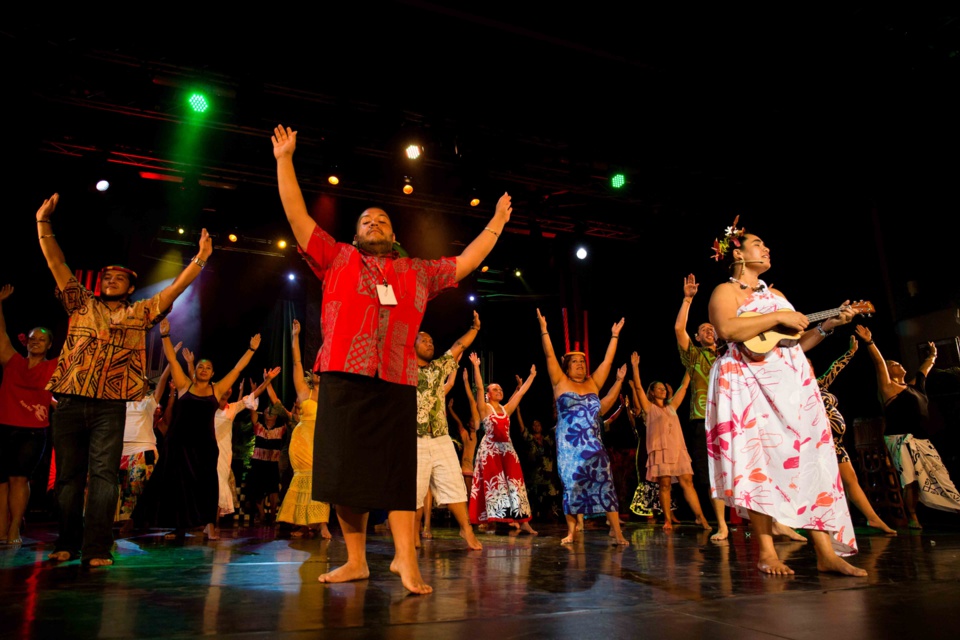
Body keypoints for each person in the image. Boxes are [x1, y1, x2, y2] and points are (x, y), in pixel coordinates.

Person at [272, 124, 512, 594]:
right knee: (344, 471)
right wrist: (284, 159)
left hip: (397, 378)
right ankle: (356, 560)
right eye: (365, 220)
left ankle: (406, 560)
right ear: (355, 233)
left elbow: (465, 261)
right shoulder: (336, 258)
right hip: (342, 372)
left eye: (381, 219)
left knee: (398, 473)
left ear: (395, 233)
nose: (373, 223)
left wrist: (498, 222)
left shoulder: (417, 272)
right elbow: (297, 214)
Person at [37, 193, 212, 566]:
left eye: (119, 278)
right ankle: (66, 542)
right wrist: (43, 224)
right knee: (68, 477)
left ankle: (98, 547)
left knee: (103, 477)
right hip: (69, 399)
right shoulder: (81, 304)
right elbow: (56, 262)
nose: (111, 280)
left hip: (110, 405)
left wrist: (199, 260)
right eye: (107, 276)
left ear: (131, 287)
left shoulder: (141, 313)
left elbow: (174, 290)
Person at [704, 218, 865, 576]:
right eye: (758, 243)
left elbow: (793, 342)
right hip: (746, 383)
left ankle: (825, 551)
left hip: (790, 385)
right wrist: (778, 316)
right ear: (738, 252)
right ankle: (766, 551)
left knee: (808, 459)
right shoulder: (725, 293)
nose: (767, 249)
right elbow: (728, 329)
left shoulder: (776, 295)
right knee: (756, 464)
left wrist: (828, 326)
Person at [134, 319, 266, 540]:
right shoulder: (185, 385)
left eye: (208, 367)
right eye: (200, 367)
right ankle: (178, 527)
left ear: (213, 373)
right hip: (179, 443)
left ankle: (209, 525)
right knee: (178, 485)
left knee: (206, 485)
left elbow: (237, 368)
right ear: (195, 370)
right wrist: (165, 336)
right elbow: (171, 360)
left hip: (204, 445)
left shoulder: (217, 389)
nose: (203, 369)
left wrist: (251, 349)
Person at [536, 309, 630, 546]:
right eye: (575, 362)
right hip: (568, 445)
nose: (580, 365)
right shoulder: (560, 381)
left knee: (605, 483)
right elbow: (549, 356)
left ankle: (617, 532)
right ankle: (572, 530)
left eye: (582, 361)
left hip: (593, 445)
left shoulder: (593, 382)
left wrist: (614, 336)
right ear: (566, 366)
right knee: (571, 485)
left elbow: (608, 361)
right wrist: (544, 330)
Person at [854, 325, 960, 528]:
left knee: (939, 475)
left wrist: (933, 355)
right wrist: (869, 342)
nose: (899, 364)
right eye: (894, 364)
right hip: (899, 438)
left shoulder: (914, 387)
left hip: (920, 438)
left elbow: (925, 368)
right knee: (909, 479)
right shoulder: (888, 388)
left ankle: (953, 507)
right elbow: (879, 364)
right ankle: (912, 517)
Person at [808, 336, 897, 534]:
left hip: (837, 444)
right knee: (818, 485)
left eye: (810, 366)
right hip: (818, 444)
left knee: (851, 481)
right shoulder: (799, 391)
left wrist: (850, 352)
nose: (809, 369)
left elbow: (835, 368)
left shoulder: (820, 385)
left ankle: (873, 519)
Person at [414, 312, 483, 549]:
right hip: (415, 437)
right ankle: (413, 535)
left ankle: (466, 530)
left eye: (432, 341)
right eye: (424, 340)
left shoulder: (437, 369)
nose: (430, 343)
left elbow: (458, 345)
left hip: (441, 436)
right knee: (415, 491)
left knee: (454, 484)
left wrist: (474, 328)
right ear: (412, 346)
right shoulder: (404, 372)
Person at [0, 285, 58, 545]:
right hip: (4, 426)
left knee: (18, 478)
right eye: (33, 337)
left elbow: (76, 342)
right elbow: (0, 334)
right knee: (0, 481)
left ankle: (14, 529)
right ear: (26, 340)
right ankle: (1, 529)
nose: (36, 341)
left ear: (49, 345)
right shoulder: (12, 361)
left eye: (42, 339)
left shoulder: (53, 366)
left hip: (32, 431)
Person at [675, 273, 731, 541]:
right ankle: (721, 523)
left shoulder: (729, 354)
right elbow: (678, 330)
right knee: (710, 473)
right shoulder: (694, 356)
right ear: (697, 338)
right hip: (703, 420)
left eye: (712, 328)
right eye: (704, 329)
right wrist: (687, 300)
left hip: (731, 418)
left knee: (738, 468)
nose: (709, 330)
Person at [628, 355, 711, 533]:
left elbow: (684, 386)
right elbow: (638, 387)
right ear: (652, 392)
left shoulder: (672, 406)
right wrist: (635, 367)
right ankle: (667, 519)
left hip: (678, 450)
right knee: (664, 485)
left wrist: (690, 365)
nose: (662, 390)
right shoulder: (649, 409)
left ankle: (700, 516)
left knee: (688, 482)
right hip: (661, 451)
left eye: (663, 388)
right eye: (658, 388)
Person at [467, 352, 538, 533]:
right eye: (495, 389)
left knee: (516, 485)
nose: (499, 391)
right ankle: (496, 520)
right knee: (496, 486)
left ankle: (523, 522)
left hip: (507, 451)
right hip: (491, 451)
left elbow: (520, 393)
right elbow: (479, 389)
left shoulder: (506, 409)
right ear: (489, 394)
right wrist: (476, 366)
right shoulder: (485, 408)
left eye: (500, 389)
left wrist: (532, 376)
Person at [116, 340, 179, 538]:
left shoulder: (149, 402)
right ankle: (127, 521)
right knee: (123, 491)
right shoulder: (122, 402)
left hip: (143, 450)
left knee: (140, 490)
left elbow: (162, 379)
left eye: (143, 382)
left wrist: (171, 357)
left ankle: (137, 522)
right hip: (121, 451)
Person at [277, 319, 333, 539]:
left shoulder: (330, 395)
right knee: (303, 478)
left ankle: (321, 523)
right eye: (316, 370)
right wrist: (295, 337)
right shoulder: (304, 392)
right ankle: (303, 523)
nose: (318, 372)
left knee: (319, 481)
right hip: (302, 440)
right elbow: (297, 363)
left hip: (320, 441)